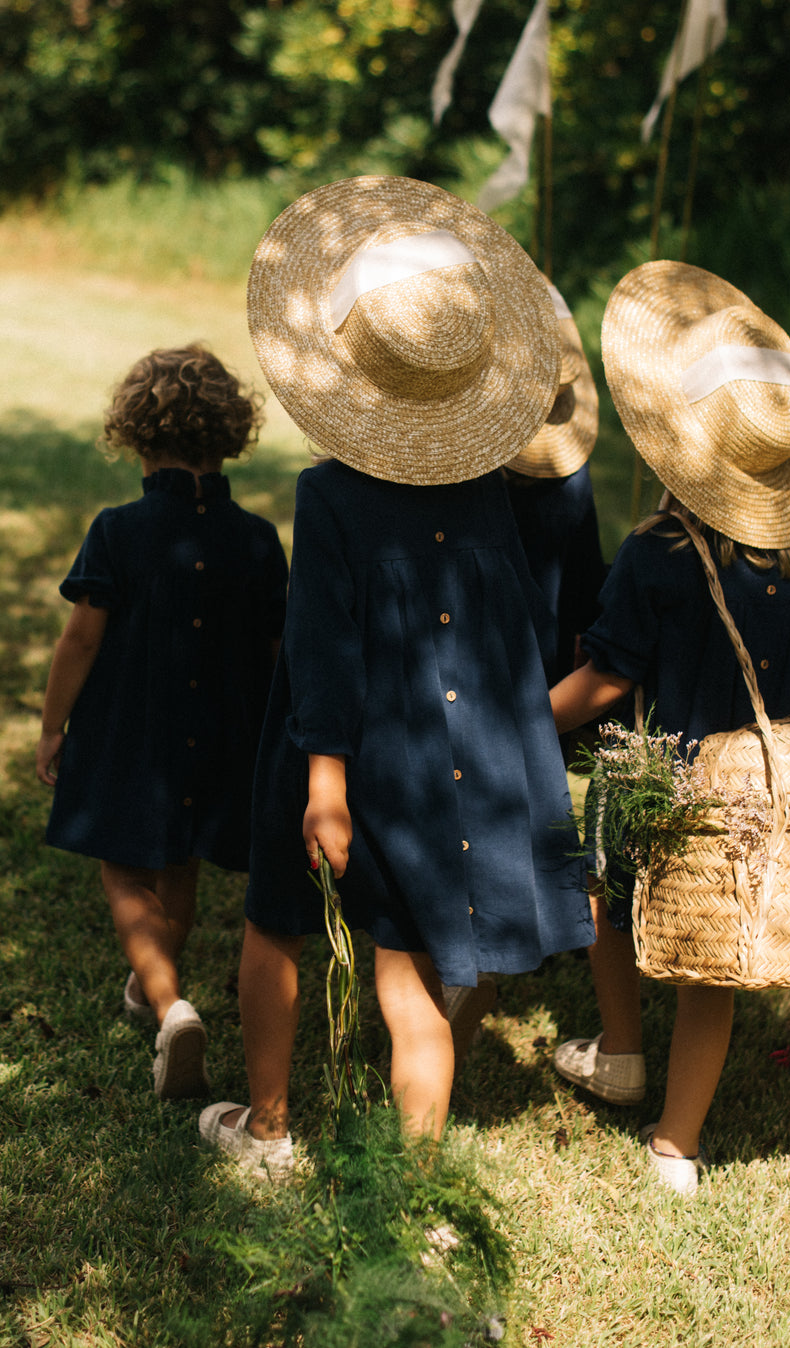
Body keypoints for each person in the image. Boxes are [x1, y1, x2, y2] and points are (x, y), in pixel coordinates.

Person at [199, 175, 594, 1178]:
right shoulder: (490, 495)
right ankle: (416, 1183)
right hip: (445, 764)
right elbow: (511, 641)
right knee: (410, 980)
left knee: (278, 922)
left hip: (338, 746)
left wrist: (324, 783)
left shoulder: (328, 496)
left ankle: (272, 1130)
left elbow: (324, 646)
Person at [549, 260, 790, 1195]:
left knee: (604, 891)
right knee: (711, 963)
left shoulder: (659, 553)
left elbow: (606, 677)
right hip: (751, 793)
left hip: (655, 784)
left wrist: (518, 726)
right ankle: (679, 1144)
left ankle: (623, 1050)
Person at [36, 344, 289, 1099]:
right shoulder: (256, 538)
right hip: (224, 733)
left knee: (123, 867)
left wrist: (53, 725)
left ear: (136, 436)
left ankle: (171, 1001)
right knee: (180, 864)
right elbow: (277, 648)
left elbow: (82, 637)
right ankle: (154, 986)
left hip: (129, 735)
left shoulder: (118, 530)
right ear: (229, 438)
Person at [443, 277, 608, 1065]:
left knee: (467, 814)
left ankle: (470, 958)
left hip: (471, 665)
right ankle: (517, 933)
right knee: (519, 801)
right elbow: (583, 583)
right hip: (541, 666)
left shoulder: (468, 483)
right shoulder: (569, 483)